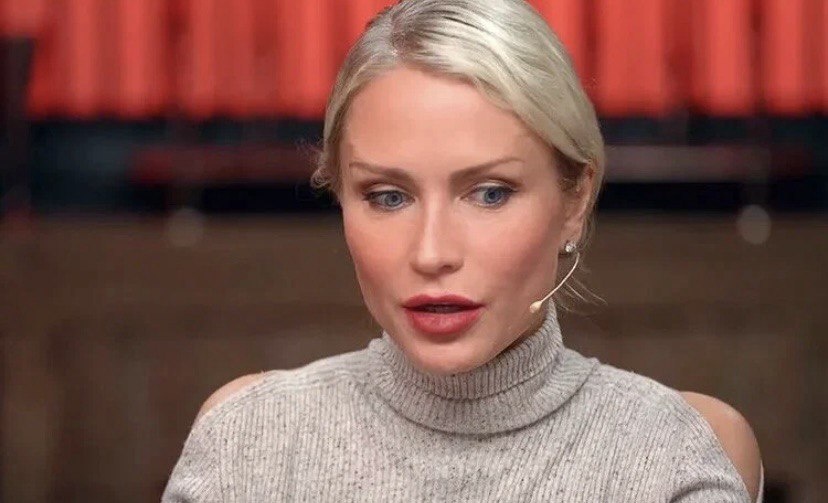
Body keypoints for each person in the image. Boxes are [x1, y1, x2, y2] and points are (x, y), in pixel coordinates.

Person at [162, 0, 762, 501]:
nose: (432, 253)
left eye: (490, 193)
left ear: (575, 200)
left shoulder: (670, 455)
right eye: (388, 197)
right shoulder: (248, 443)